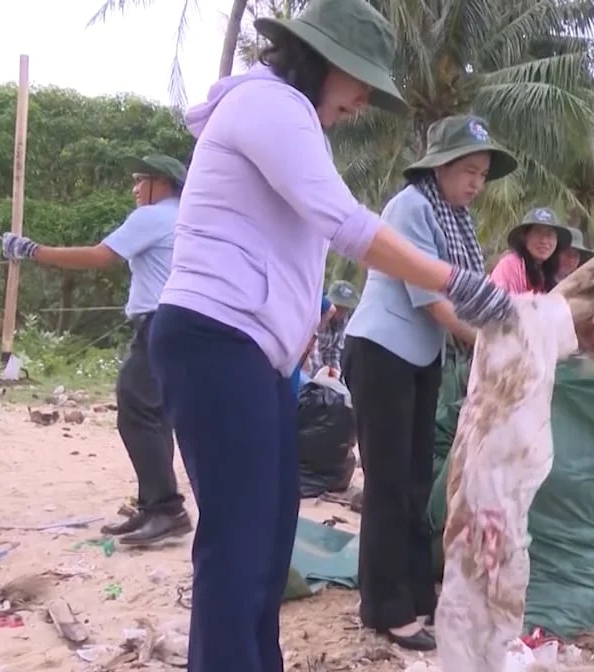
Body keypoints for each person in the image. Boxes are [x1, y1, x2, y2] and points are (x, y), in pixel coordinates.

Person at [141, 2, 514, 669]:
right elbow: (345, 223)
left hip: (248, 353)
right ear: (320, 62)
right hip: (214, 339)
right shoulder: (270, 105)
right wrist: (458, 283)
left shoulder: (287, 118)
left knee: (269, 534)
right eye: (360, 81)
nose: (364, 100)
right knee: (240, 543)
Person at [343, 113, 518, 651]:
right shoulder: (411, 208)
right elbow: (434, 299)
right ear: (439, 166)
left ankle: (418, 595)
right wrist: (492, 347)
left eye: (482, 174)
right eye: (467, 170)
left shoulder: (454, 220)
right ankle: (384, 607)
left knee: (419, 481)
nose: (475, 183)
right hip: (382, 352)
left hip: (418, 359)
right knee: (390, 482)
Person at [1, 154, 192, 547]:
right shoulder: (182, 217)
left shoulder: (154, 217)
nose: (135, 188)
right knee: (150, 413)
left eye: (142, 180)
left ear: (162, 183)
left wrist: (33, 251)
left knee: (137, 410)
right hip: (174, 321)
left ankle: (166, 510)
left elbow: (99, 256)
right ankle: (155, 505)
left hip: (159, 321)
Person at [489, 207, 571, 293]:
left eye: (549, 235)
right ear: (524, 237)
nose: (544, 241)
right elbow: (500, 303)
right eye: (538, 233)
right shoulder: (510, 265)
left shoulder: (548, 272)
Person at [312, 280, 358, 377]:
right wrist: (320, 374)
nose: (341, 312)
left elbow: (334, 351)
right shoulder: (318, 315)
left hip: (325, 368)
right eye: (338, 306)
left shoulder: (344, 320)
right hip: (309, 366)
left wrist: (336, 373)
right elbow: (313, 350)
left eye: (345, 308)